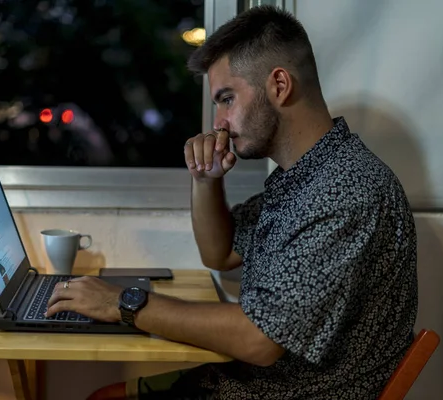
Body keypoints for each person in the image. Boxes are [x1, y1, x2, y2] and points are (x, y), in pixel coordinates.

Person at [46, 5, 418, 399]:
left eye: (227, 99)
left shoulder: (344, 190)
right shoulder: (304, 176)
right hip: (256, 384)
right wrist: (205, 181)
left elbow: (260, 339)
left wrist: (123, 302)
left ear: (279, 85)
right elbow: (220, 253)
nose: (218, 122)